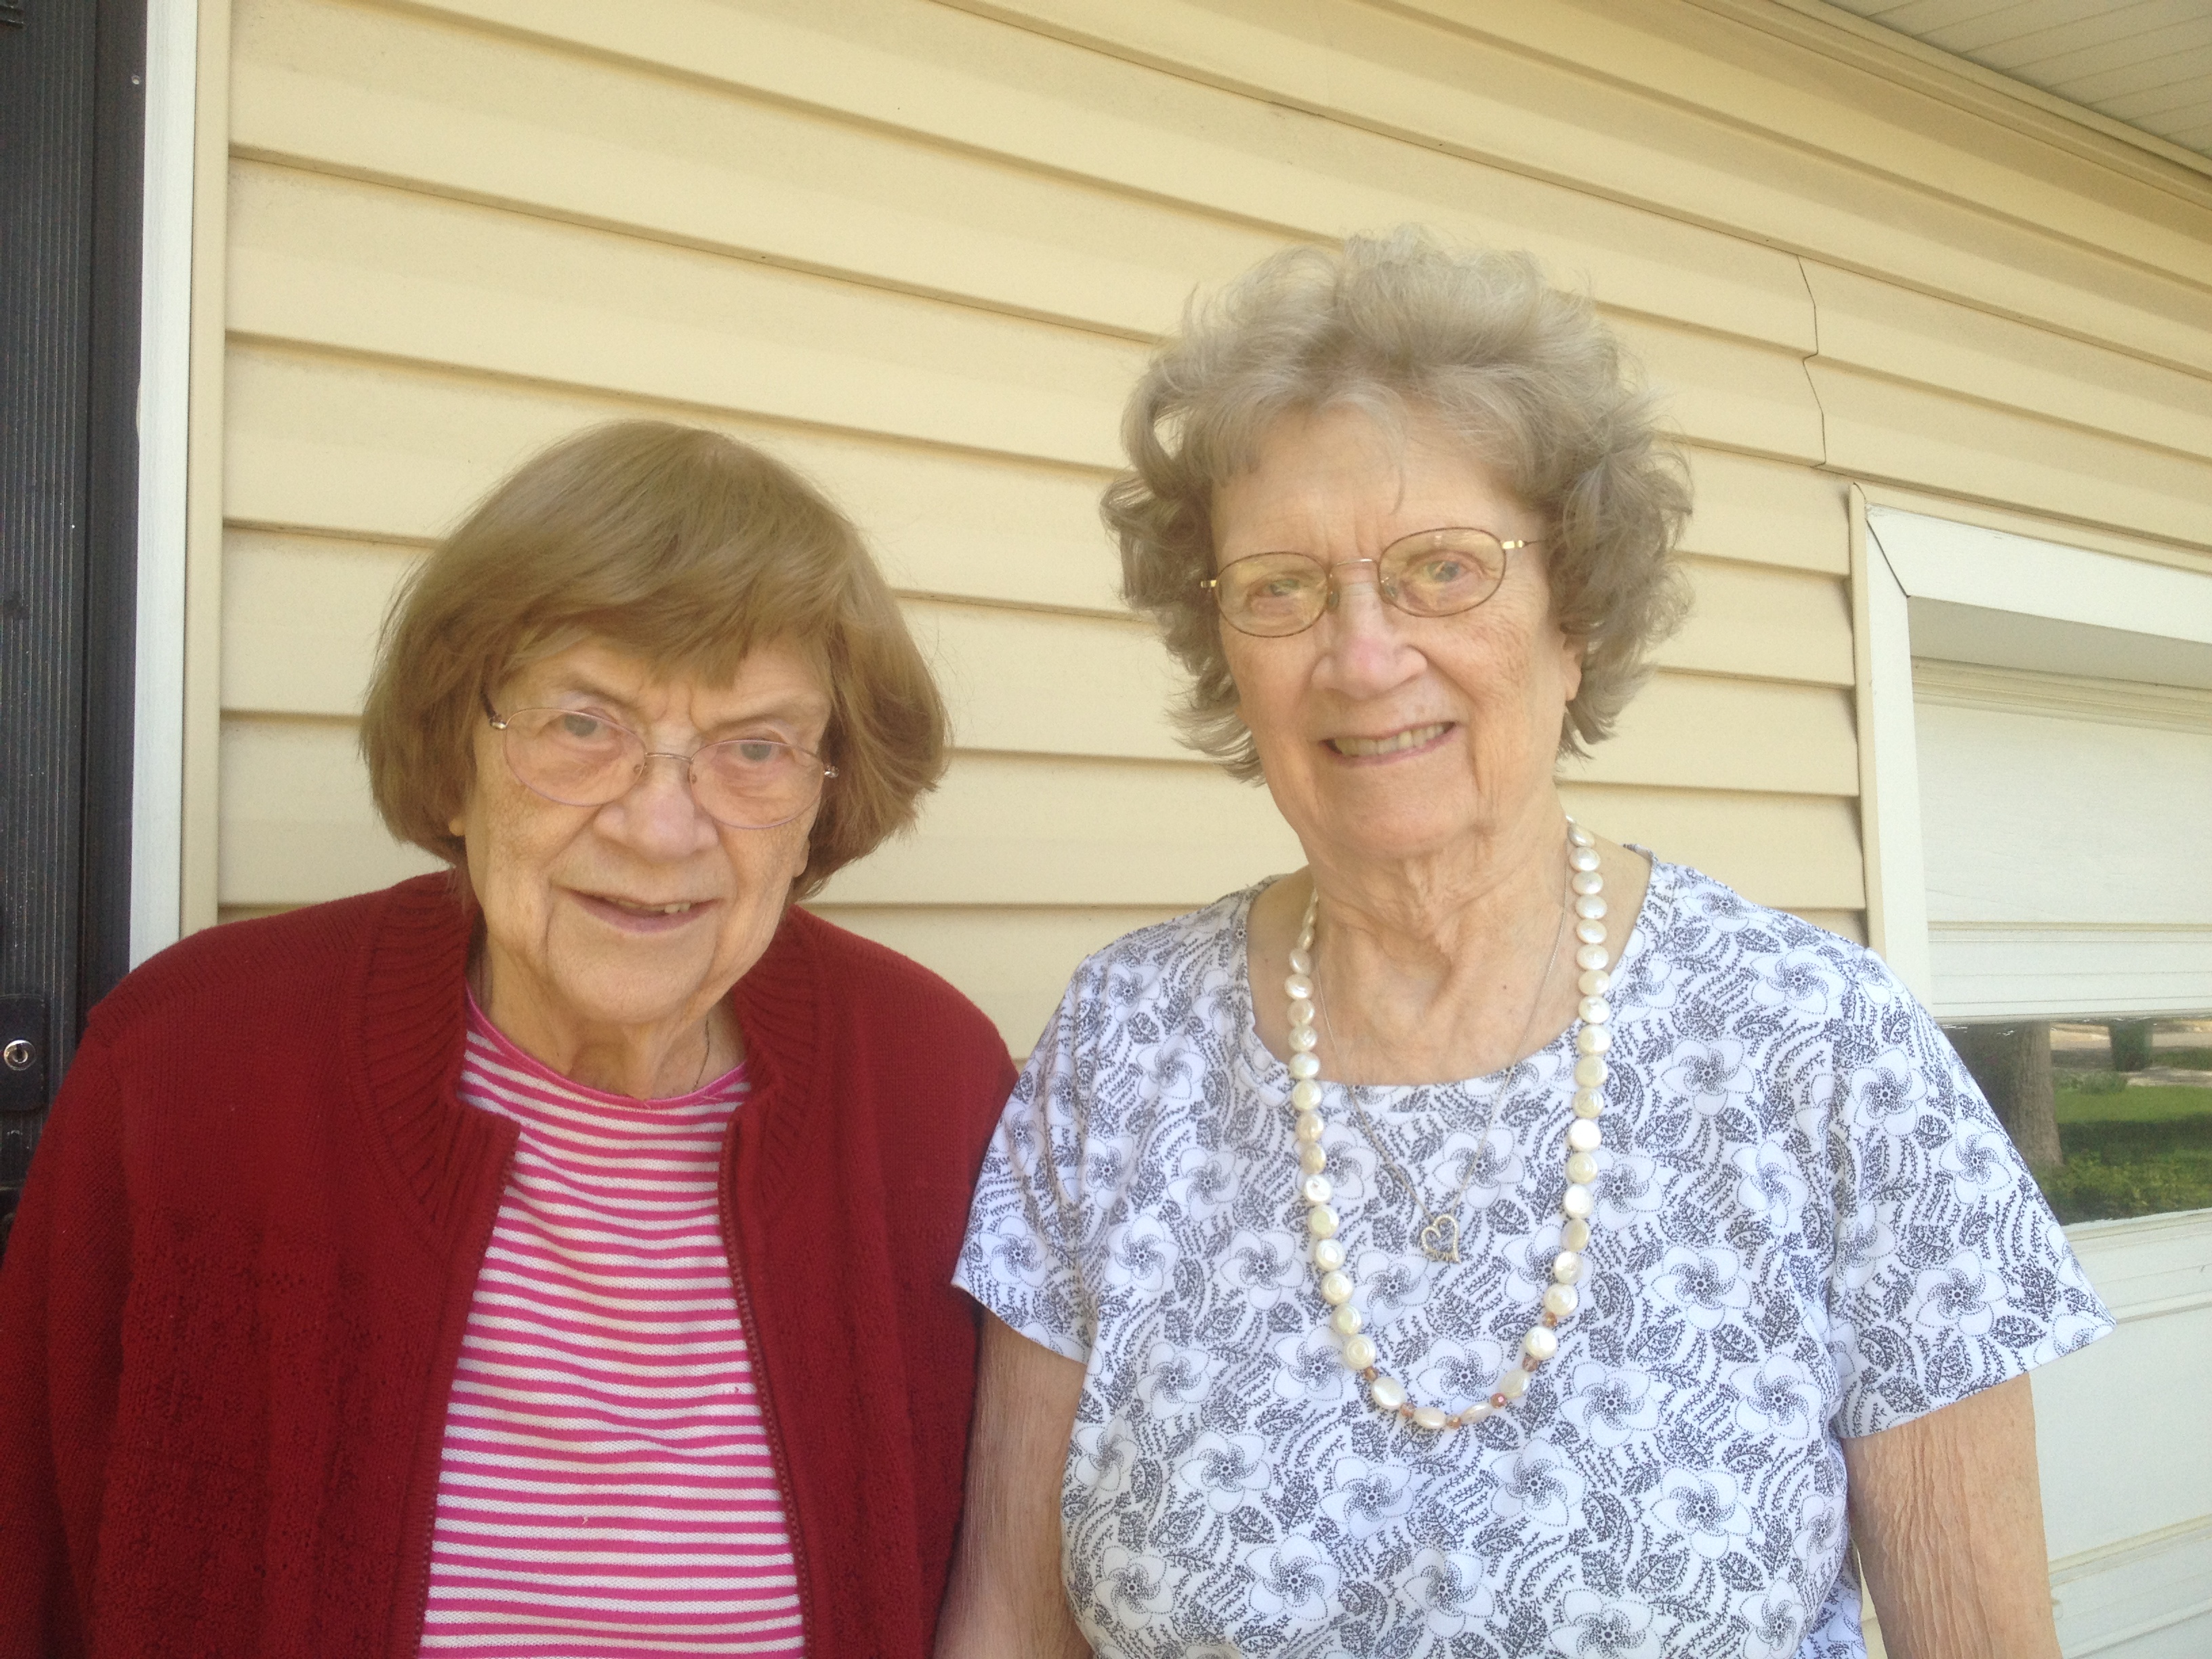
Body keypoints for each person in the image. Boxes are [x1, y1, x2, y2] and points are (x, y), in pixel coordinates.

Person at [937, 232, 2110, 1658]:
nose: (1365, 656)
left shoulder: (1822, 1048)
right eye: (1282, 586)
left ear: (1577, 618)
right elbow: (1009, 1623)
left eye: (1443, 569)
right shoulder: (1121, 1050)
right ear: (1227, 652)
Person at [0, 422, 1017, 1659]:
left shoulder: (934, 1090)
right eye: (584, 725)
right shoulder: (191, 1062)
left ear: (822, 803)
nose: (659, 827)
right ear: (455, 760)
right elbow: (29, 1562)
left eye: (755, 747)